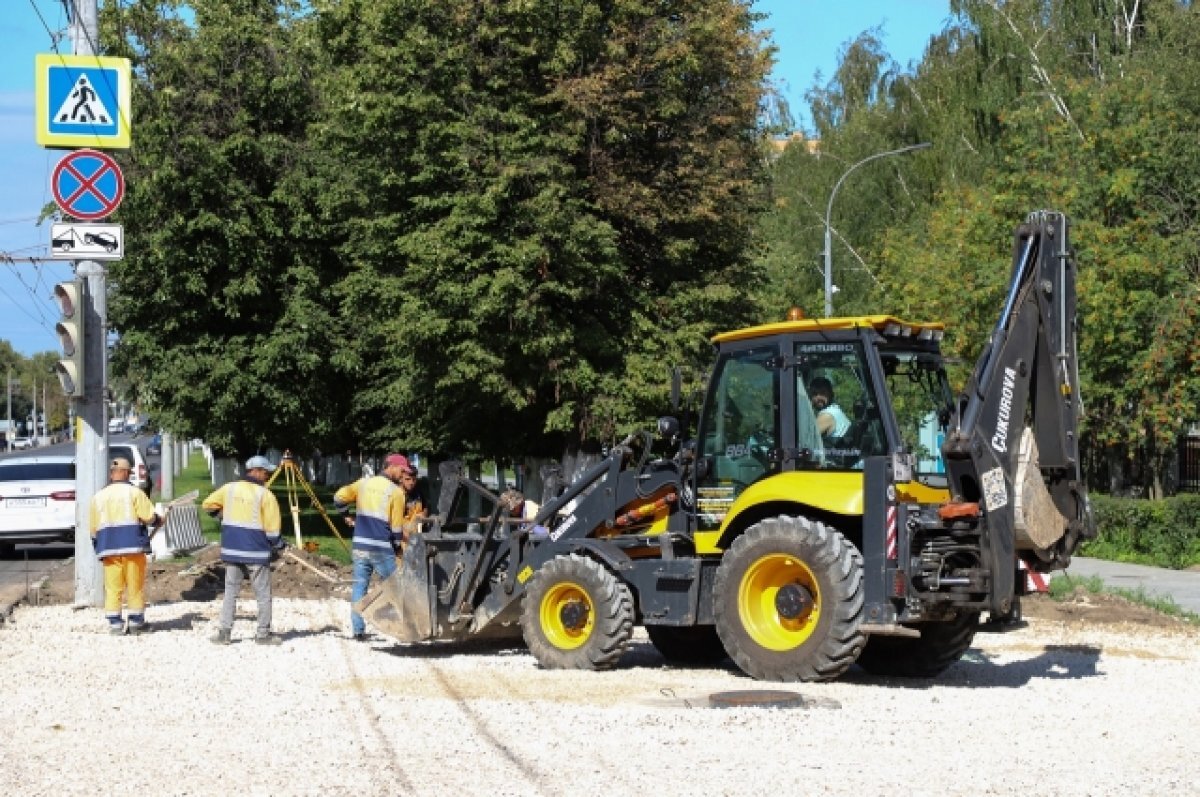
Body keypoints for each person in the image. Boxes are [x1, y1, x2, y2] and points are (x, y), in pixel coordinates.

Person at [203, 455, 285, 645]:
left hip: (232, 550)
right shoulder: (265, 495)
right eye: (265, 472)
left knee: (230, 591)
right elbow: (273, 531)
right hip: (256, 552)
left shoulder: (229, 489)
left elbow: (208, 505)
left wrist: (221, 515)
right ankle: (263, 634)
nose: (267, 476)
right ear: (255, 471)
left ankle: (224, 633)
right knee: (263, 594)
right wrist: (279, 545)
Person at [333, 453, 411, 641]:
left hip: (359, 544)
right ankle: (407, 626)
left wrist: (346, 515)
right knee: (396, 586)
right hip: (381, 547)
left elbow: (338, 498)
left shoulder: (363, 484)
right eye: (402, 470)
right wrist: (397, 548)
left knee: (360, 587)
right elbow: (396, 529)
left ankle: (358, 631)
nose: (403, 475)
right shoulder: (396, 493)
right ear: (391, 466)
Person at [90, 456, 163, 635]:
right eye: (128, 472)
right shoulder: (135, 493)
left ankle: (115, 624)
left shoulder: (98, 497)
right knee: (134, 585)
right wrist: (159, 520)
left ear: (112, 474)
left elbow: (93, 528)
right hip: (132, 547)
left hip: (109, 548)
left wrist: (98, 547)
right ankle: (136, 622)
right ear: (124, 473)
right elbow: (148, 517)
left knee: (113, 587)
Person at [809, 376, 851, 442]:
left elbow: (806, 439)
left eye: (822, 393)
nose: (818, 397)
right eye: (815, 394)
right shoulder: (835, 409)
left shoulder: (827, 415)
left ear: (831, 394)